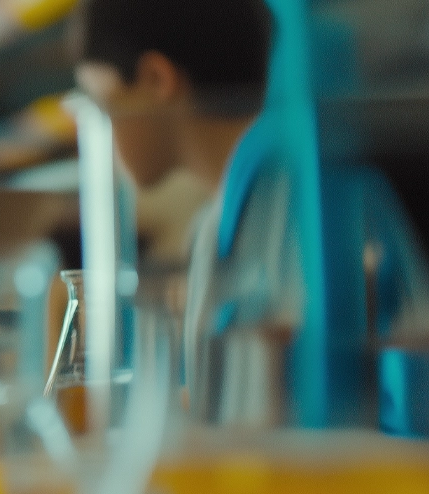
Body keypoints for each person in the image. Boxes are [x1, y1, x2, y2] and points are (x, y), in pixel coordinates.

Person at [70, 0, 429, 408]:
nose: (99, 133)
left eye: (102, 102)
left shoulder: (297, 191)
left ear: (155, 79)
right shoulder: (219, 219)